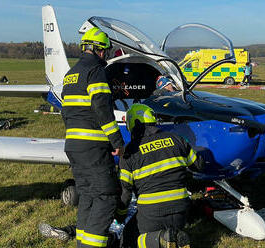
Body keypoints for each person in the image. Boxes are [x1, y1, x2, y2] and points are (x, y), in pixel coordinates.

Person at [59, 26, 125, 248]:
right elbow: (102, 109)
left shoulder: (70, 75)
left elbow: (65, 111)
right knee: (106, 197)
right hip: (93, 148)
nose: (105, 56)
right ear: (99, 50)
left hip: (74, 145)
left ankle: (83, 244)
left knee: (87, 196)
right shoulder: (96, 72)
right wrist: (117, 141)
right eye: (105, 51)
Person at [116, 103, 197, 248]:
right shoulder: (176, 139)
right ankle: (173, 237)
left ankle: (161, 239)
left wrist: (121, 214)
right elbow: (198, 165)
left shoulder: (129, 153)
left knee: (128, 241)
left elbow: (125, 192)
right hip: (181, 209)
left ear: (133, 123)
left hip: (151, 213)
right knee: (171, 228)